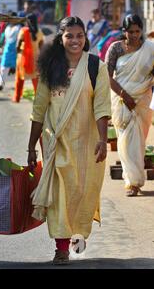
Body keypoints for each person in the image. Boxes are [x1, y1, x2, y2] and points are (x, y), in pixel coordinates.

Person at [27, 16, 111, 265]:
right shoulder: (51, 67)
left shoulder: (97, 67)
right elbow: (39, 108)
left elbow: (102, 106)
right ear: (61, 39)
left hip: (87, 143)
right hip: (56, 142)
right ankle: (61, 247)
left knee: (81, 193)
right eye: (69, 36)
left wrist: (103, 140)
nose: (75, 40)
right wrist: (31, 146)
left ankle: (76, 237)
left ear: (85, 38)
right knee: (59, 195)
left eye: (79, 35)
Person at [105, 14, 154, 197]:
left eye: (137, 31)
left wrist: (141, 93)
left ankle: (135, 181)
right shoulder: (116, 48)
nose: (134, 35)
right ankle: (132, 182)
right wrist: (125, 96)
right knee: (125, 141)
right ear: (123, 31)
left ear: (141, 31)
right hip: (121, 101)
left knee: (139, 142)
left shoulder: (149, 48)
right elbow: (107, 77)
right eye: (130, 31)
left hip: (143, 100)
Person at [13, 13, 44, 102]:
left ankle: (17, 97)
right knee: (36, 80)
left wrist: (18, 53)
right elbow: (41, 45)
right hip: (35, 59)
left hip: (23, 58)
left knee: (19, 79)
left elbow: (17, 46)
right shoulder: (39, 32)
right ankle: (38, 99)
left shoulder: (23, 31)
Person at [0, 12, 21, 91]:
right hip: (7, 51)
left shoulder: (19, 28)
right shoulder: (7, 28)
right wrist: (0, 46)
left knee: (18, 70)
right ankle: (0, 84)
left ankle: (18, 86)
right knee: (3, 68)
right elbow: (4, 38)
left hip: (17, 51)